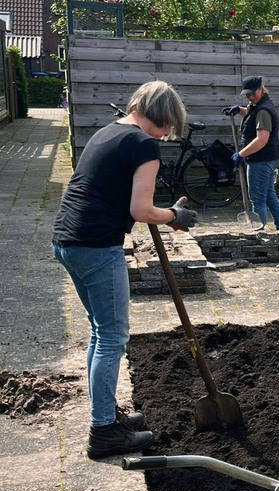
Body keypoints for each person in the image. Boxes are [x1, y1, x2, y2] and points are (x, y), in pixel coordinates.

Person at [52, 81, 197, 460]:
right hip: (97, 246)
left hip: (67, 240)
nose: (167, 135)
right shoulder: (143, 145)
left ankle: (105, 414)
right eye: (169, 126)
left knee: (99, 333)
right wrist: (175, 215)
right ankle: (103, 433)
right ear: (162, 116)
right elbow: (140, 210)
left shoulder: (109, 132)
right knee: (112, 338)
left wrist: (164, 213)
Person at [224, 76, 279, 231]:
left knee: (257, 198)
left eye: (253, 93)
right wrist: (240, 110)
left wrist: (241, 154)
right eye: (247, 94)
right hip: (269, 157)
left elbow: (261, 140)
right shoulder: (259, 105)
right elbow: (253, 115)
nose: (250, 97)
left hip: (261, 159)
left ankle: (259, 232)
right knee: (269, 195)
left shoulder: (263, 111)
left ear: (261, 89)